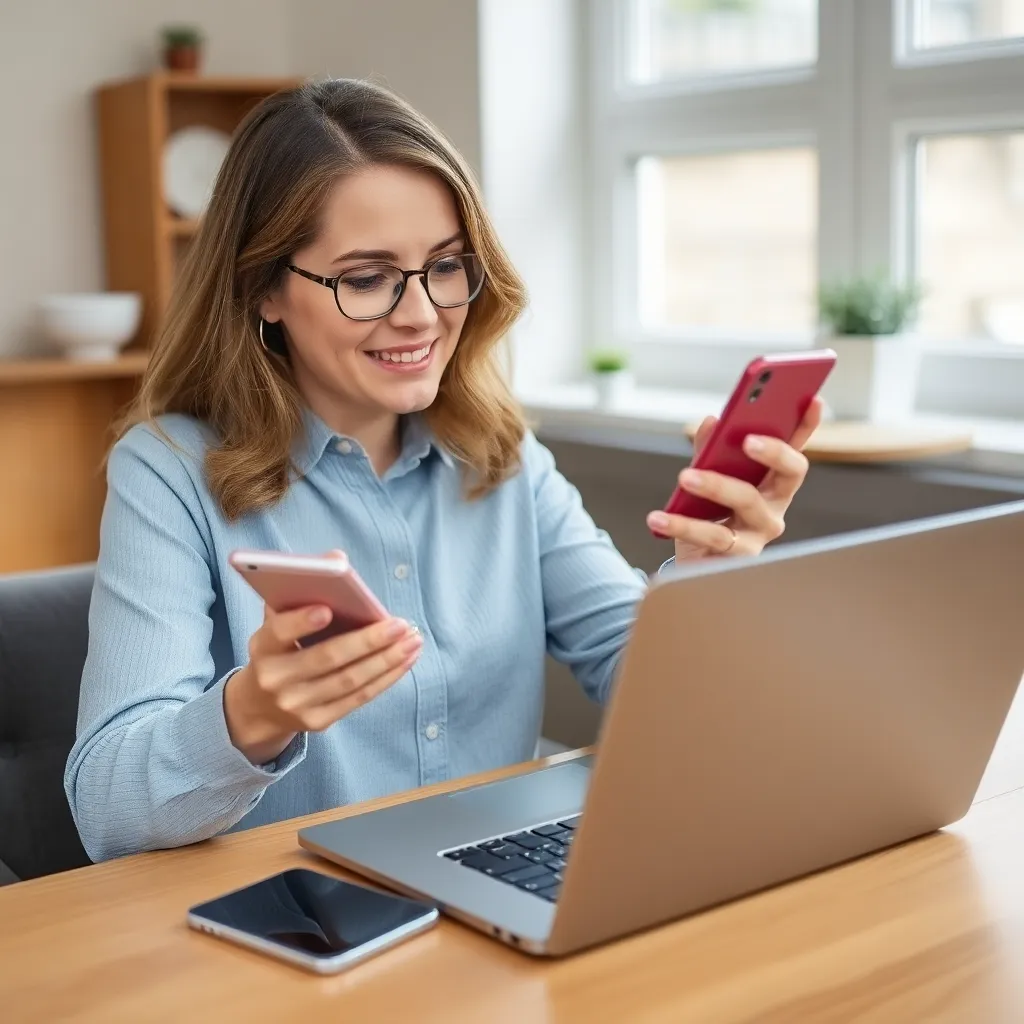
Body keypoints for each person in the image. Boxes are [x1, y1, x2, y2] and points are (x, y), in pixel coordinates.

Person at [64, 78, 820, 862]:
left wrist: (703, 580)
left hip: (500, 895)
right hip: (299, 928)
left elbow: (653, 692)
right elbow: (109, 814)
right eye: (365, 278)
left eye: (447, 265)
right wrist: (251, 714)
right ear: (264, 289)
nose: (422, 313)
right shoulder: (170, 470)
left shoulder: (501, 453)